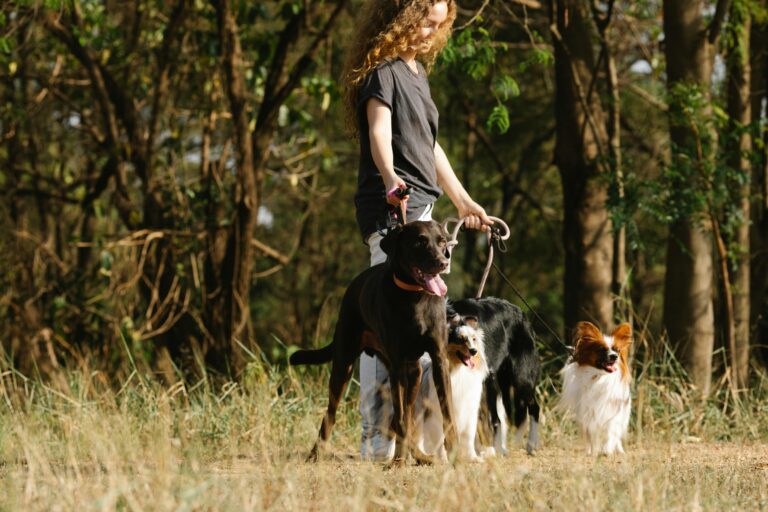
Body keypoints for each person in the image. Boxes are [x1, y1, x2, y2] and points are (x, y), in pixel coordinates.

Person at [341, 0, 492, 461]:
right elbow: (378, 132)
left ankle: (418, 439)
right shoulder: (382, 74)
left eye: (438, 24)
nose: (432, 32)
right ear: (401, 18)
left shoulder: (417, 75)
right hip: (393, 213)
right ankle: (378, 439)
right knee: (385, 333)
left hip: (424, 210)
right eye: (425, 22)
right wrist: (390, 178)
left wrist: (463, 200)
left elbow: (431, 147)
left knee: (427, 333)